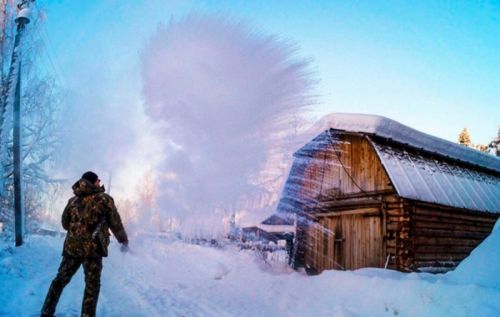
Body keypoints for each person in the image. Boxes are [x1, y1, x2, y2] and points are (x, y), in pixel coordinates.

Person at [41, 171, 128, 317]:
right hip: (93, 251)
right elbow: (115, 223)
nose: (100, 182)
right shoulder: (104, 199)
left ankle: (46, 312)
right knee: (91, 287)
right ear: (93, 182)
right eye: (98, 180)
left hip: (71, 249)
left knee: (60, 280)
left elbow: (64, 224)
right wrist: (124, 240)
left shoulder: (72, 201)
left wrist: (78, 230)